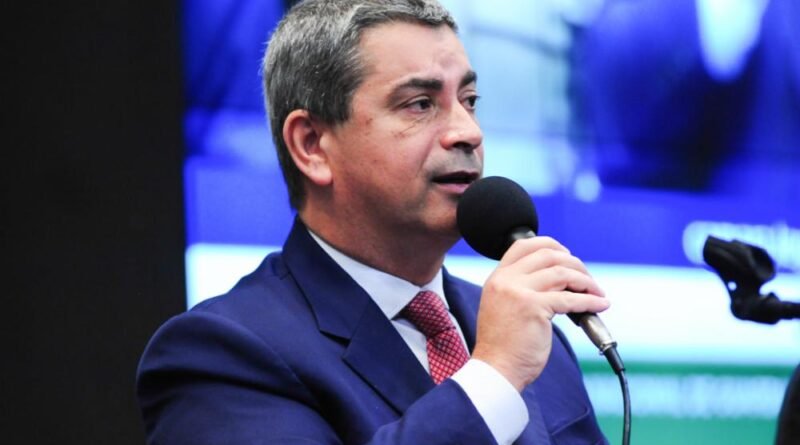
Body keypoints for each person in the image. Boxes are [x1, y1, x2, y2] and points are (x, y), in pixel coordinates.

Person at [136, 1, 611, 443]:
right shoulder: (220, 353)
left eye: (469, 100)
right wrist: (493, 375)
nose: (468, 132)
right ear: (311, 145)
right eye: (420, 104)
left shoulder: (529, 335)